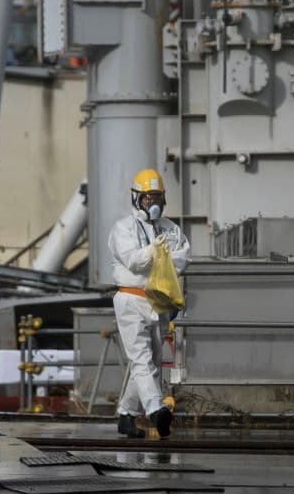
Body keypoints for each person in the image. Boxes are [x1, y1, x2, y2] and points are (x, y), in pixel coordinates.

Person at [109, 168, 190, 438]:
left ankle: (126, 415)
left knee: (151, 362)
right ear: (136, 198)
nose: (151, 203)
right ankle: (156, 411)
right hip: (130, 298)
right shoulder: (123, 228)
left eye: (156, 197)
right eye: (146, 198)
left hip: (158, 301)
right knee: (142, 359)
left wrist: (160, 258)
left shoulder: (171, 229)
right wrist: (156, 253)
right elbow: (133, 260)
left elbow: (184, 259)